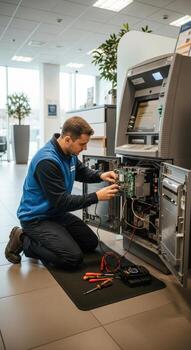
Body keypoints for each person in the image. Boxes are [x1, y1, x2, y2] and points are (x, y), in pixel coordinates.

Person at [5, 116, 119, 268]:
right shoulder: (47, 161)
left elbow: (81, 172)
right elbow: (62, 202)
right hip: (36, 218)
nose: (85, 148)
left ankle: (57, 237)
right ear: (67, 139)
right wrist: (96, 196)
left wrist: (100, 175)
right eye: (82, 144)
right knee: (72, 258)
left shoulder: (69, 153)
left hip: (55, 213)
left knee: (90, 243)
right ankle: (23, 239)